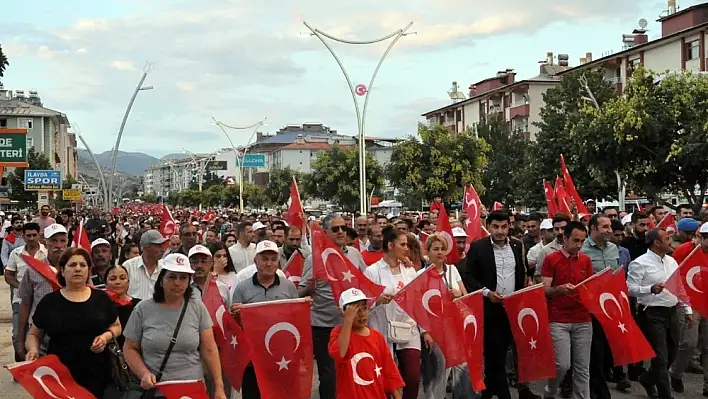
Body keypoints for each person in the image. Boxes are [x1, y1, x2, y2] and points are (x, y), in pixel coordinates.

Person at [123, 253, 226, 399]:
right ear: (161, 280)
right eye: (172, 277)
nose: (177, 283)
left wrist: (219, 386)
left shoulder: (197, 307)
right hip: (156, 390)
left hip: (191, 389)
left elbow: (209, 349)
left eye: (183, 278)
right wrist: (143, 373)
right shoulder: (142, 309)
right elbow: (129, 348)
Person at [464, 210, 540, 399]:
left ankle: (489, 391)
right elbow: (468, 276)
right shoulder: (478, 247)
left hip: (513, 307)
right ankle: (504, 393)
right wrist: (487, 293)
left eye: (504, 227)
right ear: (488, 227)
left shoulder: (517, 245)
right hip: (490, 307)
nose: (500, 231)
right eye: (496, 227)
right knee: (494, 353)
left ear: (509, 226)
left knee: (506, 352)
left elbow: (522, 271)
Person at [26, 247, 122, 398]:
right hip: (60, 375)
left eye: (82, 265)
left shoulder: (101, 298)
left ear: (89, 271)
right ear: (62, 271)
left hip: (97, 373)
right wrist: (33, 350)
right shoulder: (50, 301)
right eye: (72, 265)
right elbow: (34, 334)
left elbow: (116, 326)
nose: (78, 269)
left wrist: (105, 337)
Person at [299, 214, 368, 399]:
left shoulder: (354, 254)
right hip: (324, 327)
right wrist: (309, 288)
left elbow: (366, 282)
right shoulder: (313, 259)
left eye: (343, 228)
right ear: (325, 232)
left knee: (352, 371)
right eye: (335, 229)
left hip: (353, 324)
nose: (340, 232)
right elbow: (299, 294)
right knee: (329, 377)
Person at [231, 240, 300, 398]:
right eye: (264, 259)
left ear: (278, 262)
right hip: (253, 358)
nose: (269, 264)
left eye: (273, 259)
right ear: (255, 261)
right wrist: (236, 315)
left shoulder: (288, 287)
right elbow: (235, 326)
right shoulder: (242, 288)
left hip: (281, 357)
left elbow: (296, 318)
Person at [627, 228, 691, 399]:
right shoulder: (639, 263)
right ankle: (665, 394)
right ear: (656, 242)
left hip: (672, 312)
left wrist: (687, 309)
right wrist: (650, 289)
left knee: (673, 353)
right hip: (651, 314)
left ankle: (647, 378)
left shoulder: (671, 261)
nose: (671, 241)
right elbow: (629, 289)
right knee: (660, 357)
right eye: (667, 238)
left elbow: (679, 287)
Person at [364, 225, 422, 399]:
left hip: (408, 327)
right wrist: (377, 300)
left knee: (412, 377)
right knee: (386, 380)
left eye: (408, 245)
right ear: (390, 245)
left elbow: (418, 301)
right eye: (403, 244)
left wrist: (425, 330)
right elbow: (364, 302)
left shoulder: (410, 271)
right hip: (382, 330)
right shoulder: (372, 271)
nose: (407, 249)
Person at [541, 221, 594, 399]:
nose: (579, 245)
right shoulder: (551, 259)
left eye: (582, 241)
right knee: (562, 364)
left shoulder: (586, 261)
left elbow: (590, 287)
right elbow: (544, 290)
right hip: (558, 319)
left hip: (582, 318)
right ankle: (551, 389)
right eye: (575, 241)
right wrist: (559, 290)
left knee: (582, 367)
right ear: (565, 238)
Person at [328, 287, 405, 399]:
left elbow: (389, 371)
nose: (362, 314)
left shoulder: (377, 337)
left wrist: (397, 396)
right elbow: (339, 353)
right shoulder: (338, 333)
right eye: (355, 311)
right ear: (343, 312)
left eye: (364, 309)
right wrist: (348, 320)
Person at [423, 234, 468, 399]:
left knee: (461, 367)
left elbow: (465, 295)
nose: (440, 252)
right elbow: (418, 307)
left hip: (455, 325)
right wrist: (425, 331)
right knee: (440, 371)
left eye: (443, 249)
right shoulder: (422, 275)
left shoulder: (453, 270)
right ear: (428, 251)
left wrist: (458, 294)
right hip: (435, 327)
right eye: (435, 249)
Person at [16, 223, 69, 360]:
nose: (58, 245)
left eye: (62, 241)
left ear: (67, 242)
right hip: (39, 335)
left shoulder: (76, 269)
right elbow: (25, 304)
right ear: (45, 242)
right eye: (53, 241)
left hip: (68, 332)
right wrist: (20, 341)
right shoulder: (33, 269)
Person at [4, 223, 46, 362]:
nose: (31, 238)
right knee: (18, 334)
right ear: (23, 236)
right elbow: (8, 275)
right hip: (20, 299)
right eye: (28, 235)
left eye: (34, 235)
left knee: (37, 335)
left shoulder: (46, 253)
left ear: (39, 235)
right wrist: (22, 287)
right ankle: (20, 363)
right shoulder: (16, 253)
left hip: (41, 300)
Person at [123, 230, 167, 300]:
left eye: (163, 245)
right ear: (146, 247)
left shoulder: (165, 267)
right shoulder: (128, 266)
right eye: (158, 246)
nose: (163, 249)